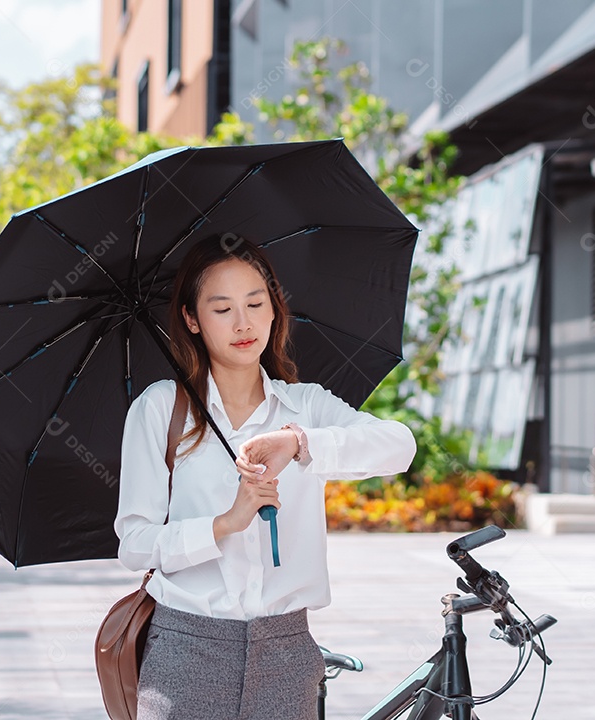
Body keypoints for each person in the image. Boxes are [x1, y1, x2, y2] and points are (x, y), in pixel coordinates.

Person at [114, 234, 417, 719]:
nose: (243, 322)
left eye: (256, 302)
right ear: (192, 320)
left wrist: (301, 443)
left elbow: (400, 445)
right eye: (221, 309)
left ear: (274, 310)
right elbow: (134, 543)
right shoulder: (159, 409)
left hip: (287, 654)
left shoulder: (307, 406)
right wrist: (225, 523)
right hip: (186, 651)